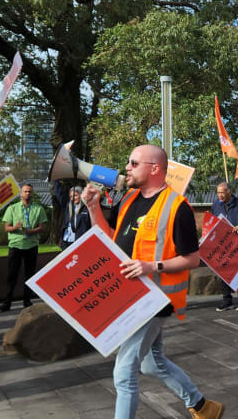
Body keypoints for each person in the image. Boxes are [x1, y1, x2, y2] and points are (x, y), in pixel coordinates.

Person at [83, 145, 223, 419]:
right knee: (151, 364)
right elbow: (109, 237)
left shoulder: (177, 207)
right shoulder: (129, 199)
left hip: (154, 301)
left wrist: (152, 266)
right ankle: (204, 407)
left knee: (124, 373)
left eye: (133, 163)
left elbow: (193, 259)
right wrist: (92, 207)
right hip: (130, 296)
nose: (127, 168)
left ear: (155, 168)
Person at [0, 183, 47, 312]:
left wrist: (31, 231)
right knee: (11, 275)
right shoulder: (12, 208)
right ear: (21, 194)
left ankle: (27, 301)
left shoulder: (39, 208)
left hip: (31, 245)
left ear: (33, 193)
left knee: (30, 274)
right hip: (16, 245)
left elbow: (42, 227)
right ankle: (7, 302)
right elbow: (6, 228)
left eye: (30, 192)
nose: (28, 194)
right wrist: (15, 227)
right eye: (25, 191)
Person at [211, 181, 238, 312]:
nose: (220, 195)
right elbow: (213, 222)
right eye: (218, 192)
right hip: (222, 245)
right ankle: (227, 300)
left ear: (230, 192)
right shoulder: (216, 205)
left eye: (223, 192)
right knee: (224, 272)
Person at [59, 185, 92, 250]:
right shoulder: (69, 206)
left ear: (81, 195)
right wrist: (57, 182)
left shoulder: (87, 208)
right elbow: (59, 195)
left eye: (75, 195)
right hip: (66, 240)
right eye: (71, 196)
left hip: (79, 241)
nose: (73, 198)